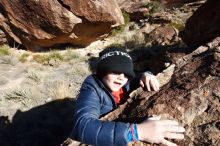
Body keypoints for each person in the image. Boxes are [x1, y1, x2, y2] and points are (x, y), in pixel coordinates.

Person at [71, 47, 185, 146]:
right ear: (102, 71)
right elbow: (83, 127)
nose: (121, 78)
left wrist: (147, 75)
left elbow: (136, 75)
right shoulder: (91, 88)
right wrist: (136, 132)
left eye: (126, 74)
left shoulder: (126, 81)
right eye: (115, 71)